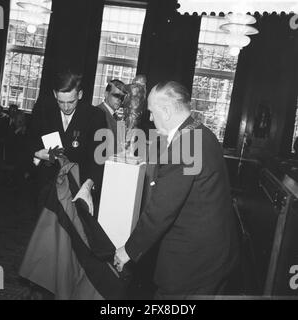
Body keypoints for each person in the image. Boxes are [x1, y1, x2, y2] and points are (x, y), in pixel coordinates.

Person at [114, 81, 240, 299]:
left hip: (194, 263)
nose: (151, 118)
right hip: (216, 254)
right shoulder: (201, 132)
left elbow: (161, 211)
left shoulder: (184, 146)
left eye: (152, 112)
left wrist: (128, 250)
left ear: (167, 110)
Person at [29, 68, 107, 214]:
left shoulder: (96, 116)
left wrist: (87, 186)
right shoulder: (43, 110)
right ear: (54, 94)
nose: (65, 107)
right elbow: (29, 140)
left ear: (80, 94)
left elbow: (99, 159)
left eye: (71, 102)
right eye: (61, 102)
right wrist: (38, 153)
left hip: (78, 189)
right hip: (47, 187)